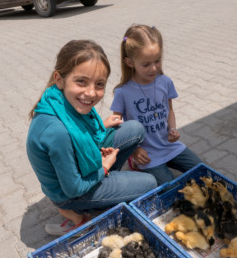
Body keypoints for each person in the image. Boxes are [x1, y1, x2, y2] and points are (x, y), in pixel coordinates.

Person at [26, 40, 157, 236]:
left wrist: (102, 125)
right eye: (81, 81)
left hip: (76, 171)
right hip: (70, 195)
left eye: (99, 84)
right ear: (59, 79)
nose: (91, 93)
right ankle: (80, 218)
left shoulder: (59, 100)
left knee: (134, 129)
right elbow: (73, 188)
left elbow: (78, 136)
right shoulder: (58, 131)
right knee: (150, 183)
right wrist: (104, 167)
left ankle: (112, 186)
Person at [110, 24, 202, 186]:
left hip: (170, 147)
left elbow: (170, 111)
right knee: (171, 188)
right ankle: (136, 165)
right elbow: (115, 127)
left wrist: (173, 129)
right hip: (147, 154)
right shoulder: (122, 92)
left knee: (203, 172)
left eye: (157, 61)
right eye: (146, 64)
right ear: (129, 62)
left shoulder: (165, 82)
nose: (153, 68)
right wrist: (134, 150)